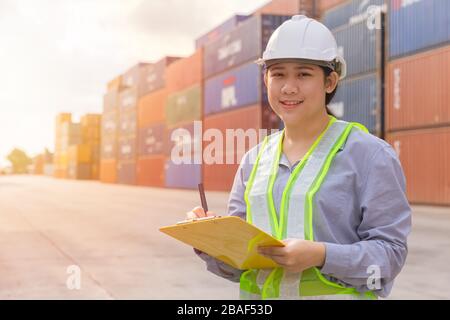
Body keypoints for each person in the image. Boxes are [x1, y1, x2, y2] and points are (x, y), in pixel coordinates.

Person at [186, 15, 411, 300]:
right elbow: (239, 268)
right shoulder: (253, 161)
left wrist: (321, 255)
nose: (288, 87)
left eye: (303, 74)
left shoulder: (370, 156)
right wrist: (210, 242)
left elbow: (389, 258)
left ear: (330, 81)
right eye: (278, 74)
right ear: (266, 79)